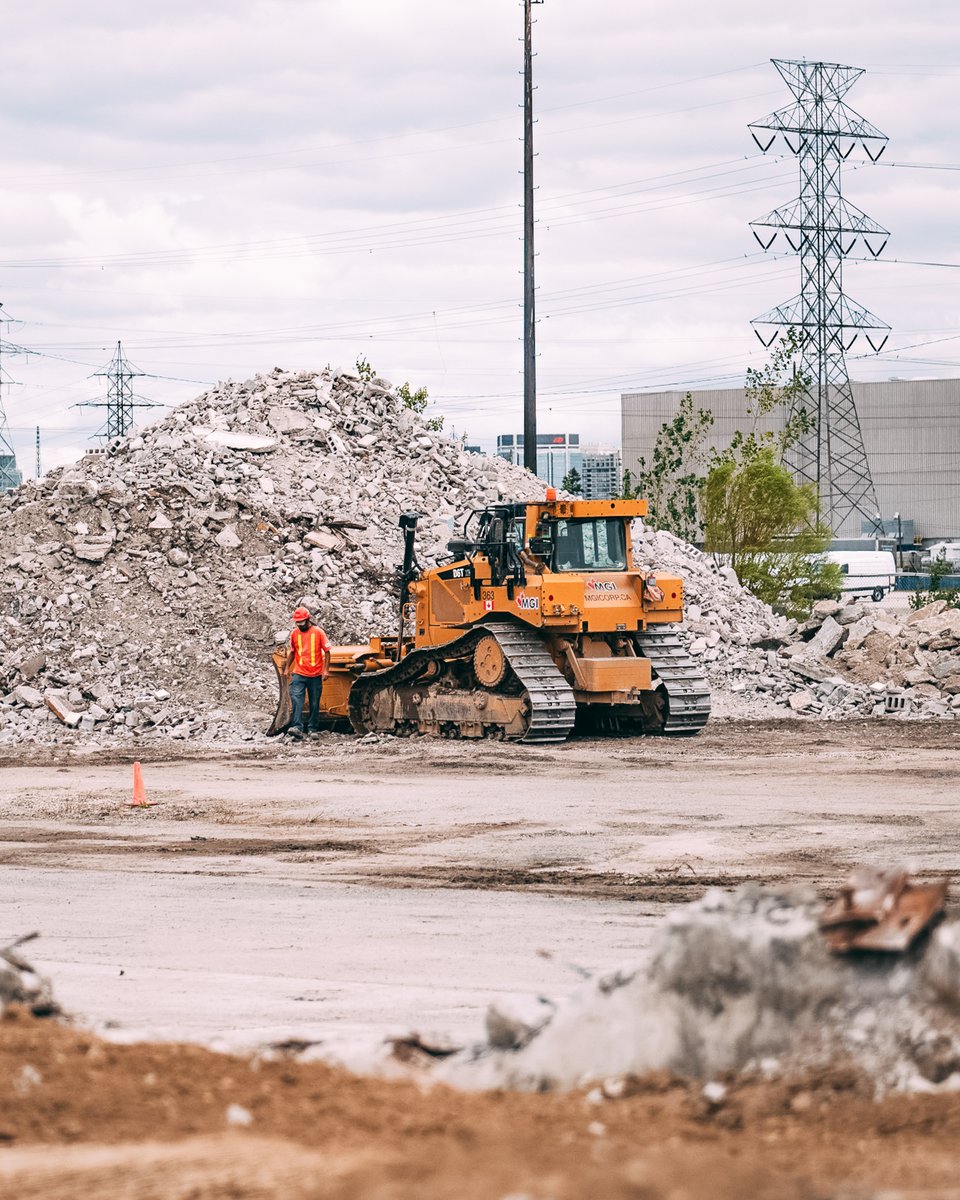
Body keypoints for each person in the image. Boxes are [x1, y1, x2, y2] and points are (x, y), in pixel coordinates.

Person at [284, 607, 331, 740]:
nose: (299, 625)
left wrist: (326, 670)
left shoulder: (318, 632)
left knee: (314, 703)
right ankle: (297, 727)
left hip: (315, 674)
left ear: (308, 619)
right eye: (297, 622)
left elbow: (327, 652)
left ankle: (312, 728)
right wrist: (287, 667)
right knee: (296, 699)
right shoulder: (294, 633)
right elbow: (293, 652)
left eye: (301, 622)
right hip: (299, 673)